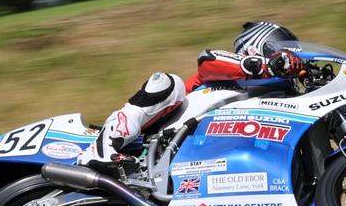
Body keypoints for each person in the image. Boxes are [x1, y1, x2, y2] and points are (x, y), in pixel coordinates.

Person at [78, 21, 305, 168]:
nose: (291, 62)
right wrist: (265, 67)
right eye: (284, 51)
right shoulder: (232, 71)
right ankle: (103, 147)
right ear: (259, 47)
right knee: (168, 82)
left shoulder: (270, 99)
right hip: (154, 135)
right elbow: (207, 60)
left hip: (193, 158)